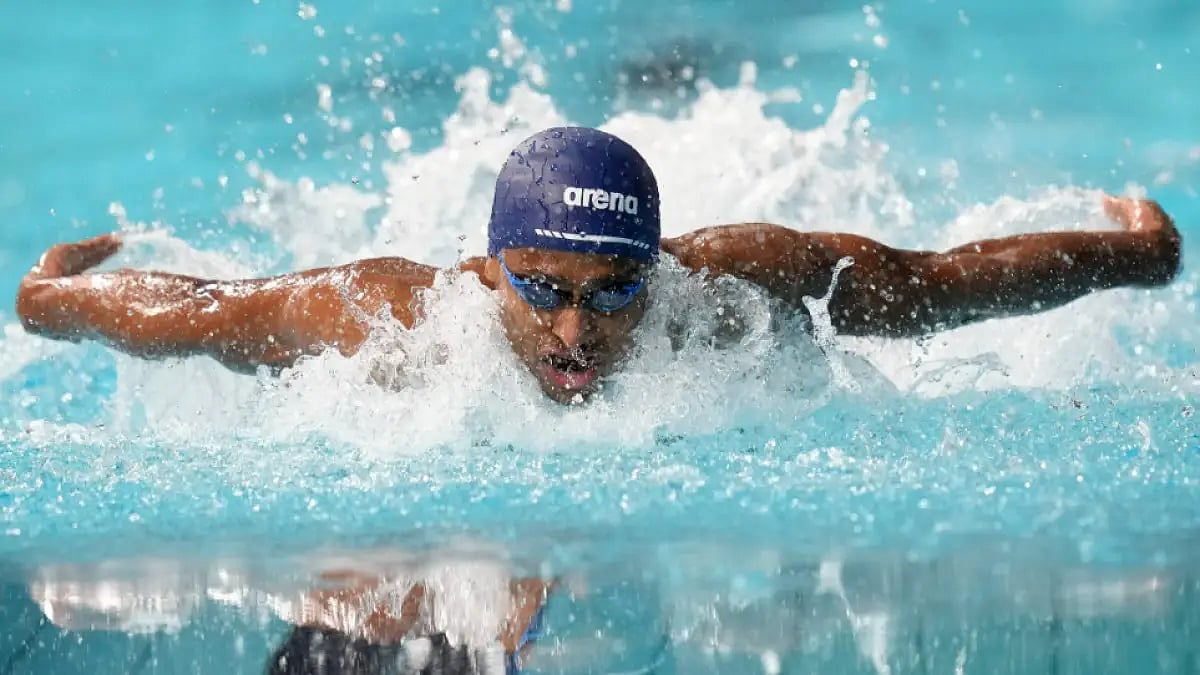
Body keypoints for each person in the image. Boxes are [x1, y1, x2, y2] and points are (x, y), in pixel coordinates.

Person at [15, 126, 1183, 404]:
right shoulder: (390, 319)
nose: (578, 336)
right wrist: (51, 298)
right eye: (544, 292)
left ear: (658, 271)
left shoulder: (733, 285)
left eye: (617, 293)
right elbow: (199, 313)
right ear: (486, 273)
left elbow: (940, 282)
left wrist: (1140, 259)